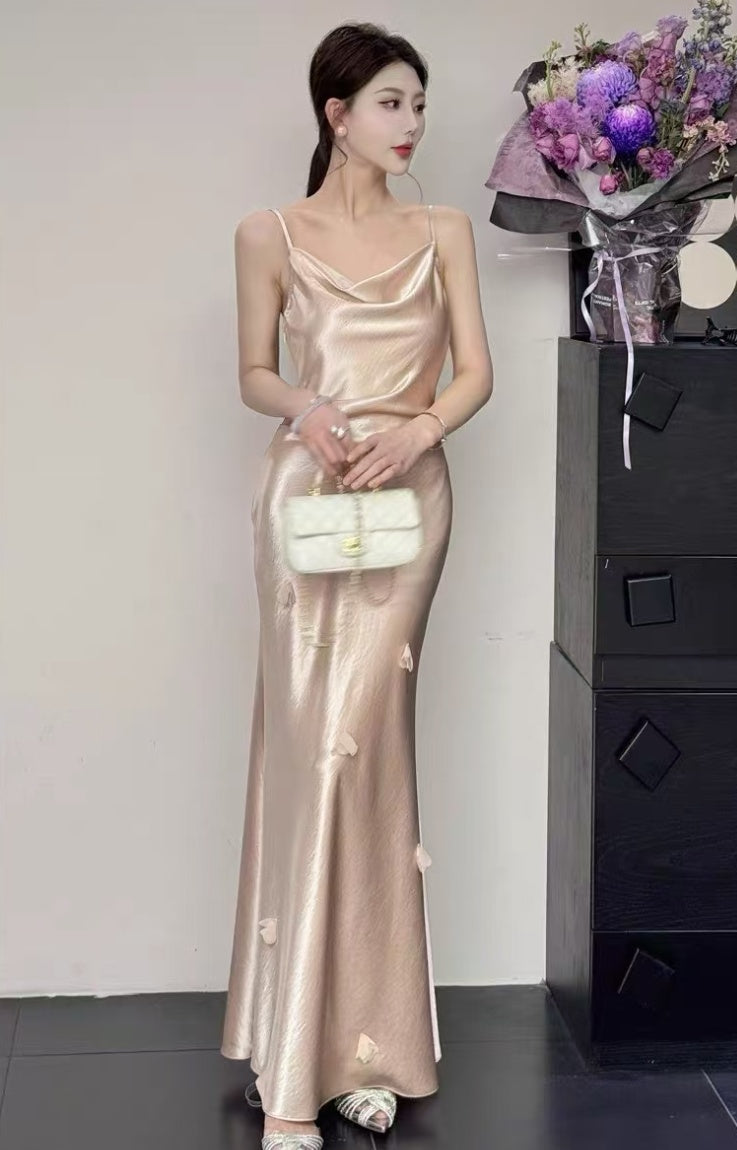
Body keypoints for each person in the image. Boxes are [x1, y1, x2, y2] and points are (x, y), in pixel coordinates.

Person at [220, 21, 493, 1150]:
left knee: (364, 753)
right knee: (306, 754)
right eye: (391, 102)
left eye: (417, 103)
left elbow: (475, 372)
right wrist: (313, 410)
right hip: (309, 494)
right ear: (336, 114)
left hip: (408, 498)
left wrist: (418, 430)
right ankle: (297, 1053)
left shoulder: (442, 230)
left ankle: (363, 1049)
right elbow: (254, 373)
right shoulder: (269, 233)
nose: (411, 122)